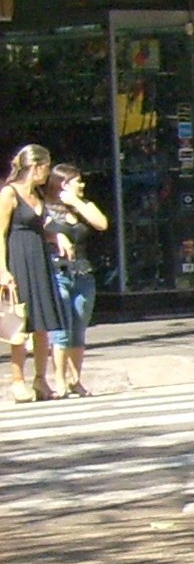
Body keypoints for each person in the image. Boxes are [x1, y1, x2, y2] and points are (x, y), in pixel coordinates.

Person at [1, 145, 73, 401]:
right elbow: (0, 233)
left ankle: (40, 379)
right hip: (18, 257)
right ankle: (18, 379)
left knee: (42, 321)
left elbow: (40, 228)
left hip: (39, 257)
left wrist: (57, 236)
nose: (47, 173)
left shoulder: (38, 195)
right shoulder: (9, 194)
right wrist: (3, 270)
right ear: (36, 166)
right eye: (46, 166)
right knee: (20, 322)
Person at [43, 164, 107, 397]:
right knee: (61, 328)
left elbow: (101, 223)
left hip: (83, 274)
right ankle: (59, 379)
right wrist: (56, 235)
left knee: (79, 328)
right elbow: (38, 231)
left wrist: (76, 202)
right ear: (62, 184)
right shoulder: (46, 208)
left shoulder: (83, 207)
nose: (82, 185)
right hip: (57, 272)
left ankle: (75, 379)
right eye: (77, 181)